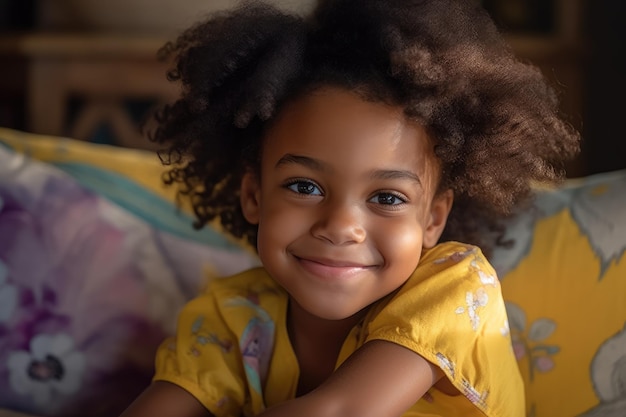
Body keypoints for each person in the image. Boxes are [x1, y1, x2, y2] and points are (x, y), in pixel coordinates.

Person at [121, 0, 580, 416]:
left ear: (433, 218)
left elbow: (340, 412)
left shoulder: (456, 291)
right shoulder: (233, 315)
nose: (341, 226)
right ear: (254, 196)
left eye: (386, 198)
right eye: (304, 186)